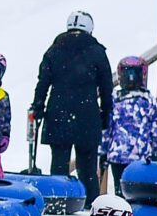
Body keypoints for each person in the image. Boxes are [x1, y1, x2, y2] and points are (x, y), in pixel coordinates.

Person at [30, 11, 112, 200]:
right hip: (87, 114)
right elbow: (106, 87)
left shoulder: (54, 49)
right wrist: (105, 115)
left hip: (58, 112)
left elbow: (43, 82)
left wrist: (38, 107)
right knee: (88, 168)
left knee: (59, 163)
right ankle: (89, 202)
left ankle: (57, 199)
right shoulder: (97, 51)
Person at [101, 57, 157, 179]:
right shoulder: (148, 99)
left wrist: (103, 151)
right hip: (141, 155)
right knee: (137, 190)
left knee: (119, 189)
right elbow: (156, 129)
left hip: (118, 154)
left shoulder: (115, 99)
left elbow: (106, 128)